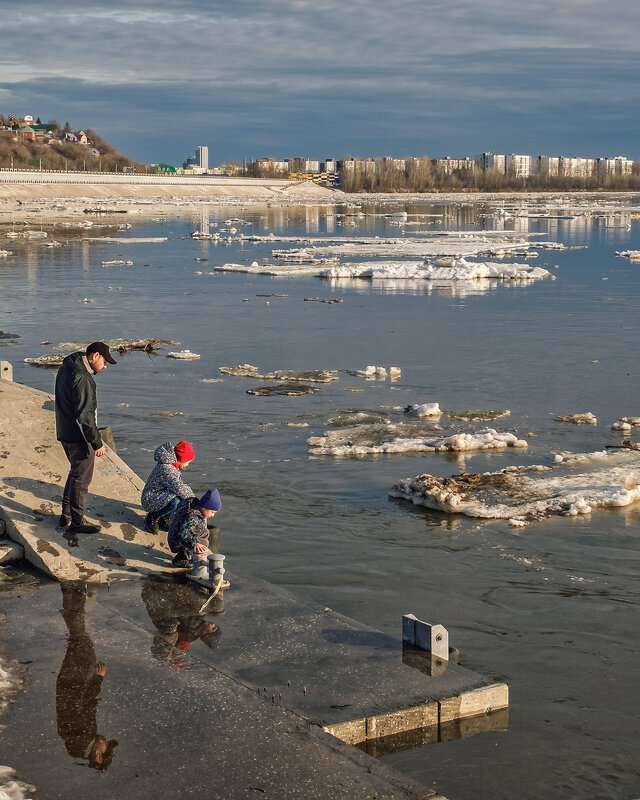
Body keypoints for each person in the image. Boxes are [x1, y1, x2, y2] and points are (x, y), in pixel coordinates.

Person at [54, 341, 117, 534]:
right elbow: (85, 415)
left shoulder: (68, 366)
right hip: (79, 437)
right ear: (95, 356)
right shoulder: (83, 378)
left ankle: (66, 513)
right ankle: (78, 522)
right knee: (81, 480)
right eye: (105, 362)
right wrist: (96, 442)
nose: (105, 367)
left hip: (64, 431)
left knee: (75, 474)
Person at [56, 581, 118, 770]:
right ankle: (73, 593)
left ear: (98, 755)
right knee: (78, 637)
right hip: (66, 683)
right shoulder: (76, 742)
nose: (106, 741)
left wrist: (98, 679)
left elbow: (88, 703)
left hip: (78, 680)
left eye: (106, 747)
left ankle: (73, 592)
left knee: (80, 637)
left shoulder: (83, 736)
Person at [141, 441, 196, 533]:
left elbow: (178, 486)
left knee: (179, 497)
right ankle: (153, 516)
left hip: (160, 495)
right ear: (182, 460)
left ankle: (164, 517)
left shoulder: (171, 464)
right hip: (150, 499)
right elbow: (180, 488)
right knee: (176, 502)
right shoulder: (167, 469)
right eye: (188, 462)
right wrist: (194, 501)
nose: (188, 464)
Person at [168, 488, 221, 568]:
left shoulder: (194, 507)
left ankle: (191, 552)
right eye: (212, 512)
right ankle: (181, 559)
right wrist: (195, 543)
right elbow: (183, 534)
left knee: (205, 532)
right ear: (204, 508)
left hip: (176, 534)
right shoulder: (193, 517)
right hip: (177, 540)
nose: (212, 515)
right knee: (204, 543)